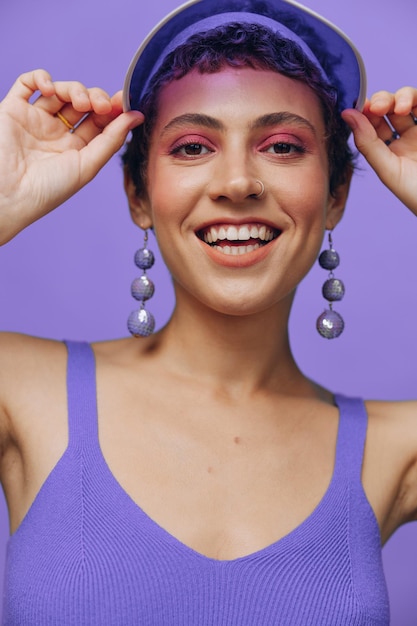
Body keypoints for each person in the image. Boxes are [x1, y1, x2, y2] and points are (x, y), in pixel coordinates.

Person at [0, 0, 416, 623]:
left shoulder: (394, 447)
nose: (237, 182)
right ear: (139, 194)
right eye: (193, 147)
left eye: (281, 146)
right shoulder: (20, 388)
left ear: (337, 197)